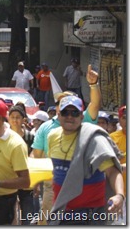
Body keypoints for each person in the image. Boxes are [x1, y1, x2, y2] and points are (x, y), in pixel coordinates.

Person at [30, 64, 101, 224]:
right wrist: (35, 180)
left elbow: (95, 105)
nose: (69, 114)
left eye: (73, 109)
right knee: (48, 221)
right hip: (52, 183)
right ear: (57, 109)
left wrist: (93, 85)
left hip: (80, 183)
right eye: (63, 106)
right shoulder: (46, 128)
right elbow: (37, 155)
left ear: (79, 113)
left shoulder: (84, 121)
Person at [45, 96, 125, 224]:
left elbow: (113, 171)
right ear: (58, 115)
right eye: (65, 112)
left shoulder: (94, 139)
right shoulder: (52, 137)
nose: (70, 117)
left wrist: (119, 195)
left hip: (91, 215)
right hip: (62, 211)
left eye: (75, 113)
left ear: (82, 116)